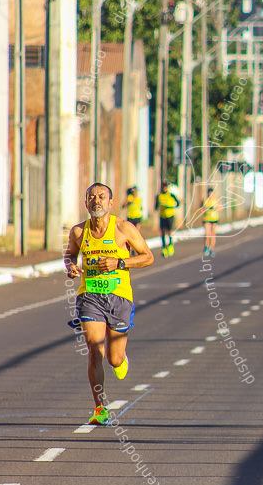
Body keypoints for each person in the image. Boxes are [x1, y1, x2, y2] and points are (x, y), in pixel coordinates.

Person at [65, 183, 154, 424]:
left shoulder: (124, 228)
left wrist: (120, 263)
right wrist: (71, 266)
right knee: (94, 351)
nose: (97, 201)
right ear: (86, 203)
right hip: (90, 296)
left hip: (119, 297)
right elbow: (70, 253)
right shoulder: (78, 232)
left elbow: (148, 257)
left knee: (114, 359)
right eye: (92, 197)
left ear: (111, 203)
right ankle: (100, 408)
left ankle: (121, 359)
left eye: (102, 197)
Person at [155, 181, 180, 258]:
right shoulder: (159, 196)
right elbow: (156, 206)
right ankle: (164, 248)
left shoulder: (171, 195)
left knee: (169, 231)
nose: (164, 188)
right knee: (162, 232)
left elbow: (178, 203)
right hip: (162, 216)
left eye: (166, 187)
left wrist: (171, 206)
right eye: (163, 187)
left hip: (170, 215)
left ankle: (170, 245)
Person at [201, 188, 220, 257]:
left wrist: (216, 208)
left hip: (214, 219)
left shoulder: (216, 200)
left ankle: (211, 249)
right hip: (207, 219)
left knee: (213, 235)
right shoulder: (205, 200)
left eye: (212, 193)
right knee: (207, 234)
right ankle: (206, 246)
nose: (211, 195)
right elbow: (201, 208)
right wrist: (204, 210)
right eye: (209, 193)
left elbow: (221, 208)